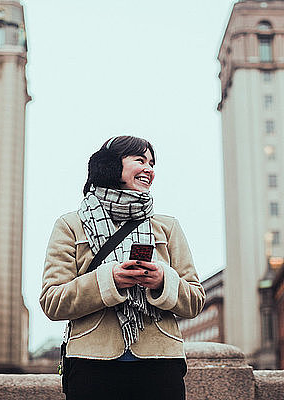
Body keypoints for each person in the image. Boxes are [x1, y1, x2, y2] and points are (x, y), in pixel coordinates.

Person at [40, 135, 205, 400]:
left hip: (160, 363)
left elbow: (195, 301)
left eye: (152, 163)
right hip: (91, 364)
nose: (149, 169)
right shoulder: (70, 225)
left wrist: (163, 281)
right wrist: (109, 280)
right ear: (111, 166)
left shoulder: (167, 227)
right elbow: (52, 302)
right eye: (140, 160)